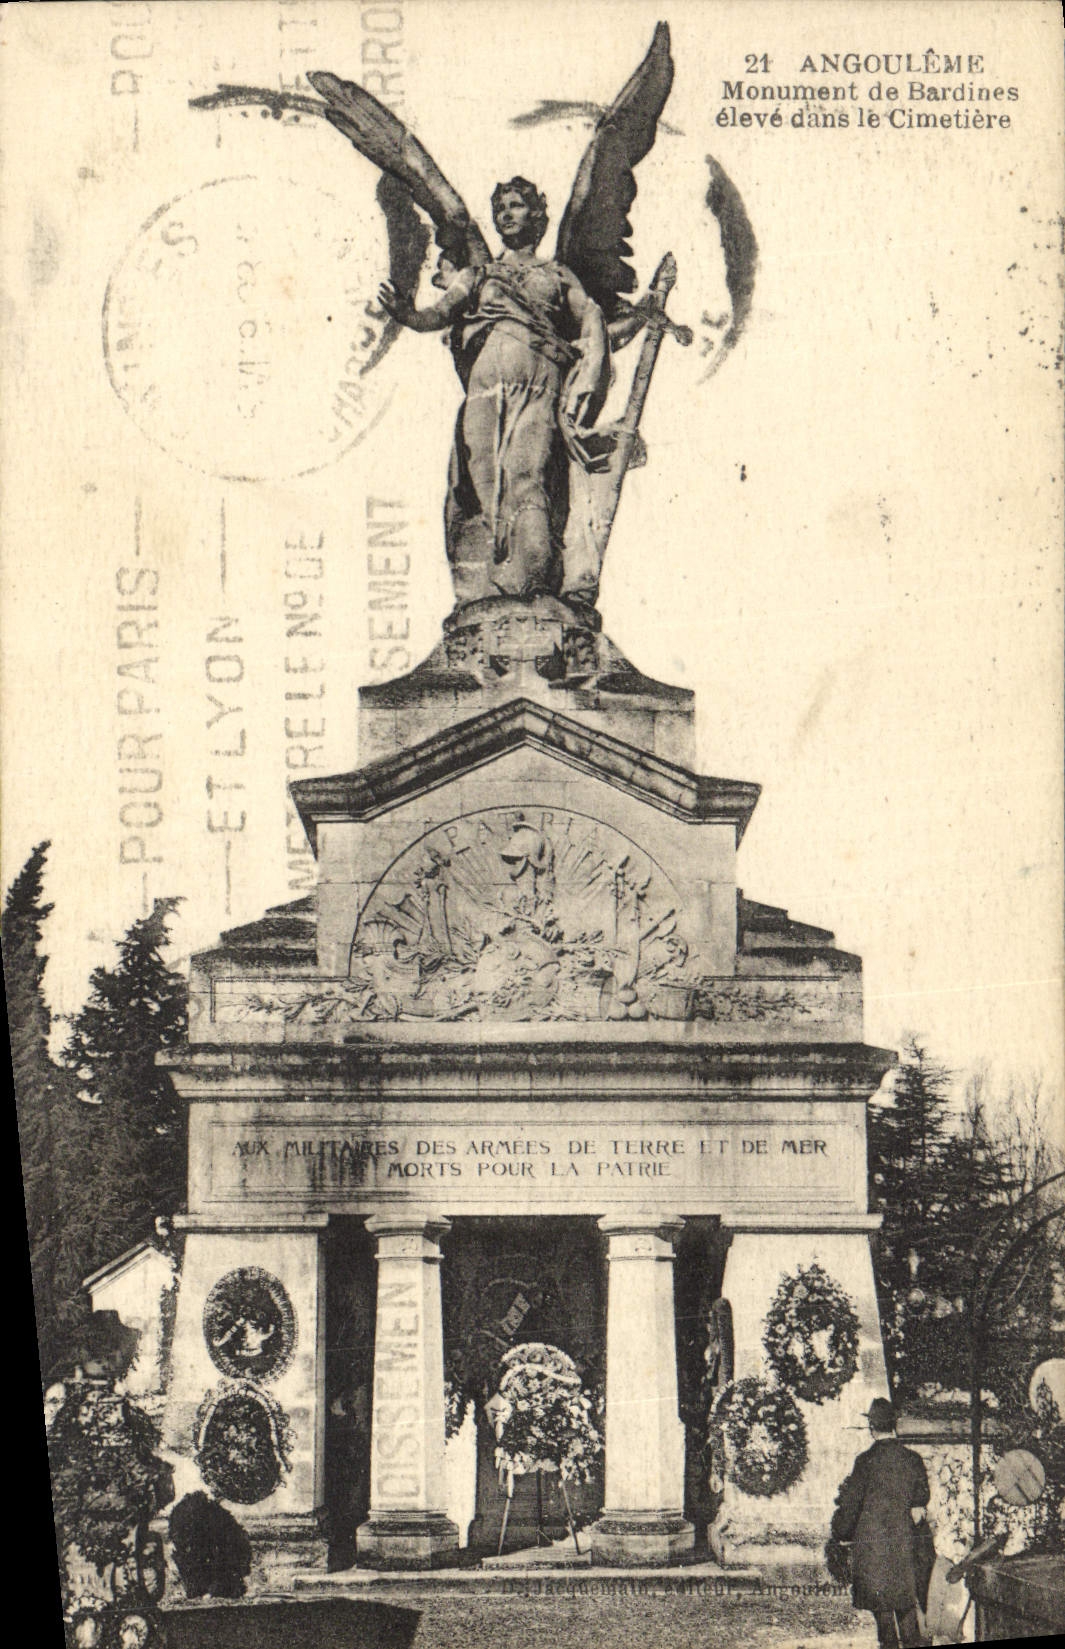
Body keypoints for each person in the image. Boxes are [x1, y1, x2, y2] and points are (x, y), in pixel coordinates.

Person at [379, 177, 608, 608]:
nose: (506, 213)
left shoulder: (558, 275)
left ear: (537, 216)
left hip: (538, 389)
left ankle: (535, 582)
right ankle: (485, 591)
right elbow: (442, 313)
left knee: (528, 474)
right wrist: (409, 315)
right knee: (485, 488)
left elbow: (590, 317)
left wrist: (590, 373)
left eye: (517, 205)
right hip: (485, 393)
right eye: (501, 206)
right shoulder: (479, 274)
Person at [830, 1397, 933, 1649]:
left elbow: (851, 1505)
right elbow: (921, 1504)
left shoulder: (864, 1462)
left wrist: (840, 1532)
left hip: (873, 1550)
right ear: (894, 1425)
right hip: (904, 1549)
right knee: (907, 1609)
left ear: (871, 1428)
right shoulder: (913, 1460)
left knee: (884, 1617)